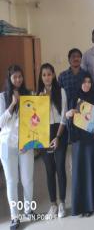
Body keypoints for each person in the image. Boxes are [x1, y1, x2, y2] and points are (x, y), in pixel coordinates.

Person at [65, 74, 94, 217]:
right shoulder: (74, 98)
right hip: (79, 141)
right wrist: (68, 114)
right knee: (81, 173)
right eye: (84, 82)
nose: (87, 84)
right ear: (80, 83)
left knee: (93, 171)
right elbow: (68, 119)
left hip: (92, 140)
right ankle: (82, 206)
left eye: (89, 82)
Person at [0, 65, 34, 230]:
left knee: (27, 179)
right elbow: (0, 123)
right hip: (7, 146)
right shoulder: (2, 97)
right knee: (12, 181)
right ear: (10, 78)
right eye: (15, 77)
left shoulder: (29, 95)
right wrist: (12, 104)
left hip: (26, 144)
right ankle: (15, 216)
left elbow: (36, 119)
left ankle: (28, 209)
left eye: (20, 76)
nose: (18, 80)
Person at [37, 63, 68, 219]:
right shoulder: (38, 95)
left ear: (54, 75)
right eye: (44, 75)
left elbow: (63, 116)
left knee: (60, 168)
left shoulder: (61, 91)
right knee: (49, 170)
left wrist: (57, 137)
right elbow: (34, 121)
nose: (47, 77)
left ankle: (62, 202)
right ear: (41, 77)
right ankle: (53, 205)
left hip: (59, 132)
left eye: (49, 74)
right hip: (44, 133)